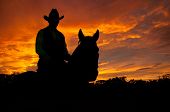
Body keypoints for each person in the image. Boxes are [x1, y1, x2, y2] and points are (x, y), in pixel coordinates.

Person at [35, 8, 70, 80]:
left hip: (60, 65)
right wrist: (49, 59)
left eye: (57, 20)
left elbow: (64, 51)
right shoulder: (42, 32)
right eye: (53, 20)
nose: (56, 22)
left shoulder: (61, 36)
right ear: (49, 21)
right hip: (46, 65)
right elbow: (38, 49)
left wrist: (70, 58)